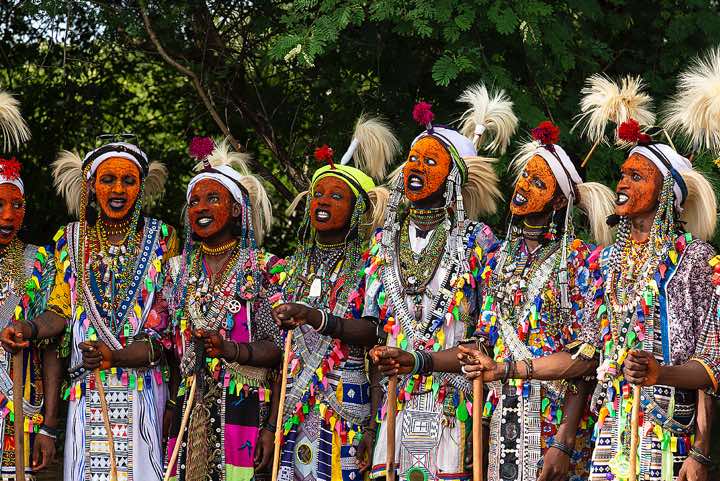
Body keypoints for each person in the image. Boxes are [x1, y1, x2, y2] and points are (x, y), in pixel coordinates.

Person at [461, 71, 720, 481]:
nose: (621, 182)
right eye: (622, 174)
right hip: (608, 429)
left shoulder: (696, 260)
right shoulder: (607, 263)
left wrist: (701, 453)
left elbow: (711, 366)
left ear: (667, 193)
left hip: (669, 435)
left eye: (637, 177)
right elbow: (586, 355)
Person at [1, 138, 176, 481]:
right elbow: (59, 312)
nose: (118, 189)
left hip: (143, 387)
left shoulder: (162, 238)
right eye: (107, 179)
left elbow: (166, 329)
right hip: (89, 389)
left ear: (141, 187)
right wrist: (30, 328)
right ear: (92, 186)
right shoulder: (69, 239)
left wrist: (127, 362)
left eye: (129, 180)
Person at [366, 84, 516, 481]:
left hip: (454, 402)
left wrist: (420, 360)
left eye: (431, 162)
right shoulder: (383, 243)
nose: (416, 168)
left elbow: (486, 336)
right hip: (397, 400)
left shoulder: (479, 242)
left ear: (455, 178)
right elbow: (378, 327)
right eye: (413, 159)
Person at [457, 120, 614, 481]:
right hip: (499, 418)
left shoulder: (580, 260)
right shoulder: (497, 259)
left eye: (538, 182)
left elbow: (586, 360)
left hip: (553, 421)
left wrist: (564, 440)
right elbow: (487, 338)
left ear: (560, 200)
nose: (524, 186)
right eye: (525, 177)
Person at [272, 116, 397, 481]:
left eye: (336, 196)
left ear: (358, 208)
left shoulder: (370, 266)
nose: (322, 202)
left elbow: (376, 333)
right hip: (293, 407)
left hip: (346, 406)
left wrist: (317, 318)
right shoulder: (291, 268)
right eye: (317, 195)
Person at [160, 138, 284, 481]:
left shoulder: (265, 269)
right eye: (194, 201)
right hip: (189, 407)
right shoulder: (176, 271)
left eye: (213, 199)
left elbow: (281, 352)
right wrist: (170, 405)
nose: (200, 208)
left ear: (235, 209)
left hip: (245, 408)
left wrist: (272, 427)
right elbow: (172, 352)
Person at [0, 91, 56, 479]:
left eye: (17, 205)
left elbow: (52, 348)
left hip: (19, 413)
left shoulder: (39, 261)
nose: (8, 215)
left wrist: (49, 425)